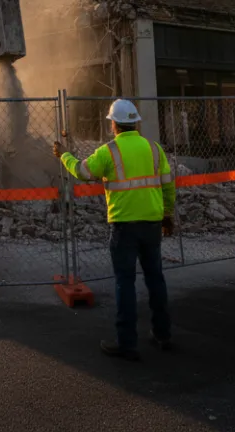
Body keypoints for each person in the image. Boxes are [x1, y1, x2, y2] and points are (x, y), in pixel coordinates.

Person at [52, 99, 175, 360]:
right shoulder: (154, 149)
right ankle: (163, 334)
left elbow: (83, 172)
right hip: (152, 223)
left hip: (124, 226)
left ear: (114, 124)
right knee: (156, 279)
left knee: (125, 282)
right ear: (135, 122)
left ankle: (127, 342)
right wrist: (168, 215)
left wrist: (64, 154)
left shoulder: (109, 151)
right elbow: (167, 186)